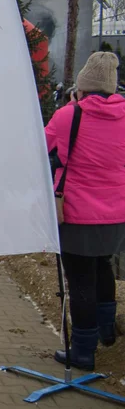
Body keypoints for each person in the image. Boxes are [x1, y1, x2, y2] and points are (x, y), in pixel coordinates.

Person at [46, 52, 125, 370]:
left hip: (77, 212)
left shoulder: (69, 116)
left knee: (79, 281)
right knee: (103, 265)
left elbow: (42, 148)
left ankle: (82, 350)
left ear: (83, 86)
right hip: (116, 212)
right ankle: (107, 331)